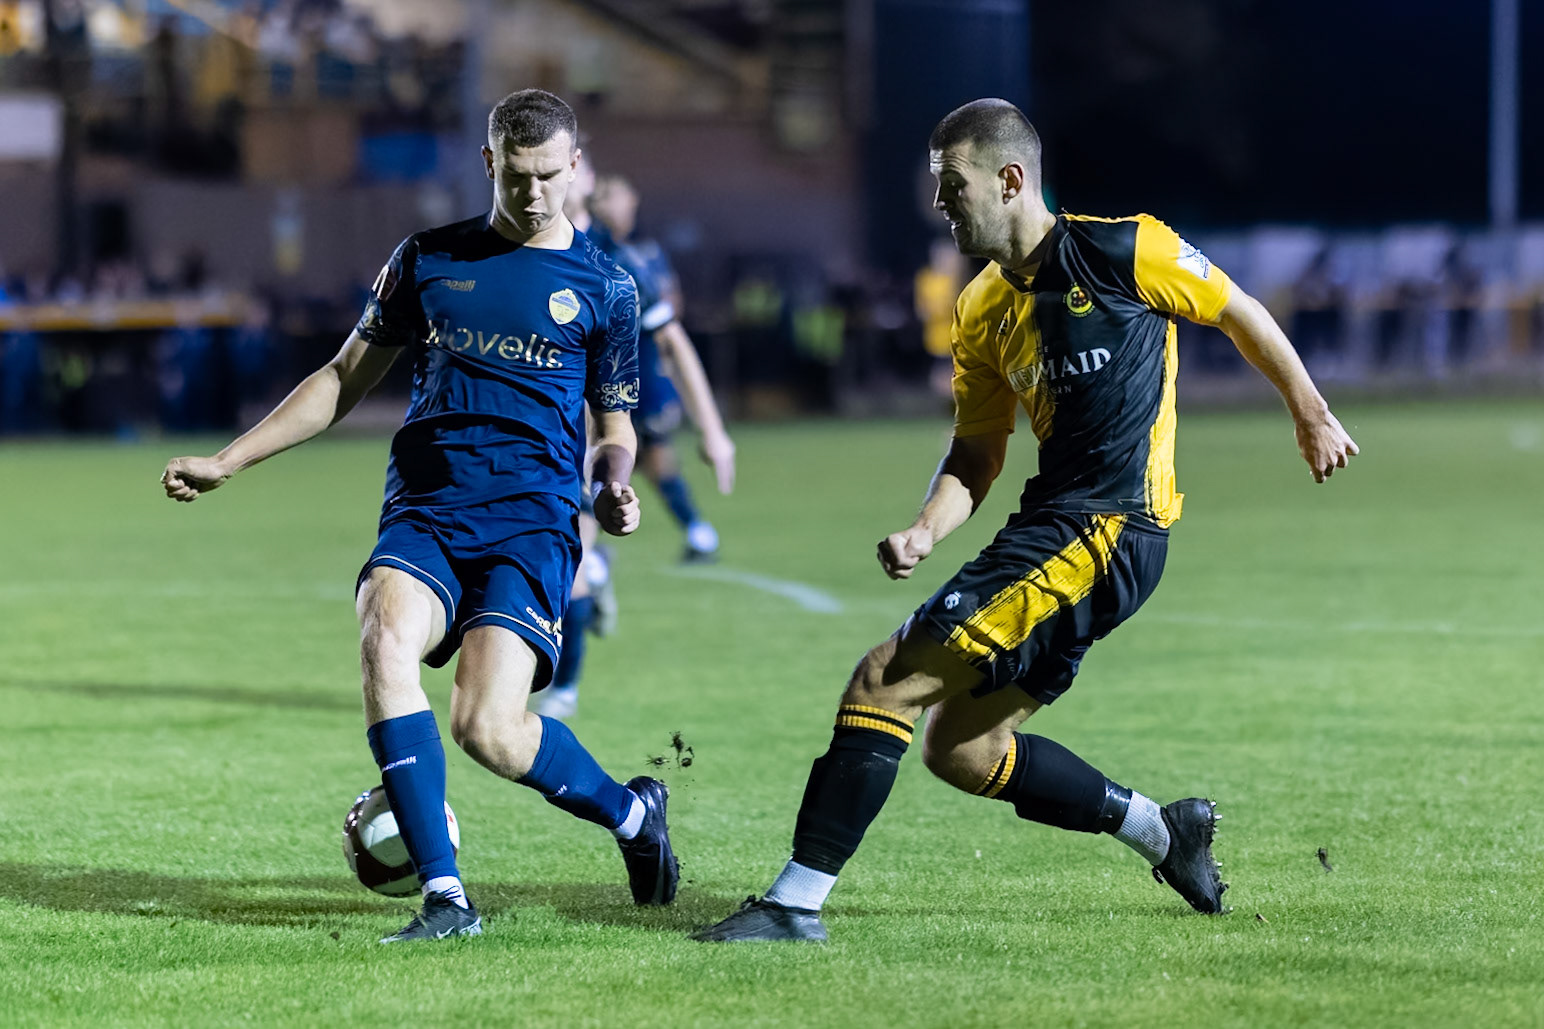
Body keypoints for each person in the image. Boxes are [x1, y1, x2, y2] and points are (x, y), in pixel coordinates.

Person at [694, 98, 1358, 943]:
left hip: (1106, 528)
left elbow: (1236, 308)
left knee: (883, 681)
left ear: (1010, 179)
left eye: (952, 184)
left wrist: (1310, 411)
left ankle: (794, 904)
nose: (940, 203)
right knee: (961, 749)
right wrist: (925, 528)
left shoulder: (1125, 249)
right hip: (1060, 531)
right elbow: (976, 452)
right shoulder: (979, 308)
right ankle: (1165, 832)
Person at [160, 89, 679, 943]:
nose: (535, 193)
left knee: (487, 728)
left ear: (575, 166)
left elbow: (614, 424)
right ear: (489, 163)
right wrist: (229, 459)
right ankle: (445, 896)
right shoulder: (427, 259)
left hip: (531, 522)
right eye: (518, 176)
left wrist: (613, 482)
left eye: (550, 175)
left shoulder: (607, 288)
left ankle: (631, 814)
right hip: (427, 510)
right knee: (384, 632)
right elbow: (342, 377)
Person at [589, 173, 735, 563]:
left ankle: (696, 531)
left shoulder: (633, 256)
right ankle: (590, 557)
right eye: (609, 196)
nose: (621, 204)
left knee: (650, 455)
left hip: (642, 373)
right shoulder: (576, 248)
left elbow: (669, 320)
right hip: (588, 383)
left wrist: (712, 430)